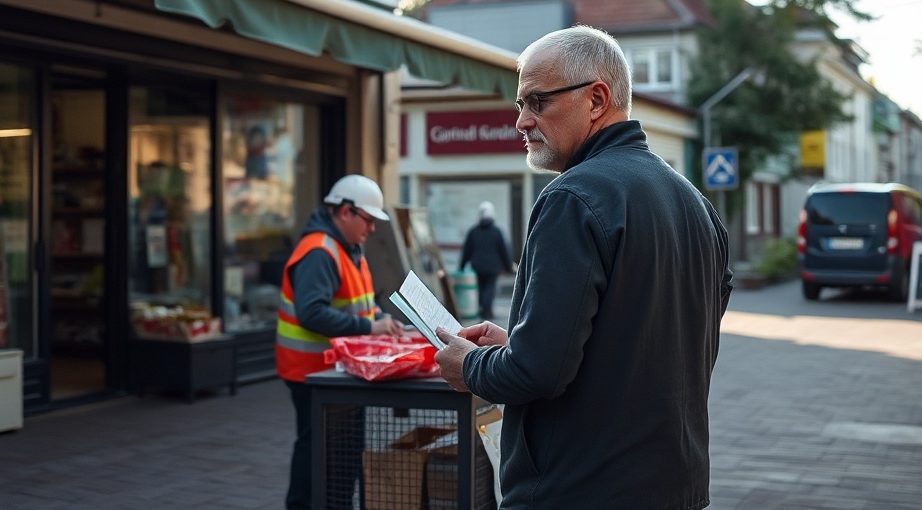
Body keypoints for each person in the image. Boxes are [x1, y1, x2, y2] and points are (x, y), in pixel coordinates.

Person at [434, 26, 734, 510]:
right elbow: (645, 349)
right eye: (520, 105)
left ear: (597, 99)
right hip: (676, 487)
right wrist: (520, 343)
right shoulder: (695, 203)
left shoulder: (573, 197)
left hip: (580, 489)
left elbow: (538, 375)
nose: (522, 122)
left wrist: (470, 366)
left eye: (537, 101)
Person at [276, 174, 404, 510]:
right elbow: (311, 313)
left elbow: (363, 299)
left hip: (335, 370)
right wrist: (370, 327)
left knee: (342, 449)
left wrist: (381, 320)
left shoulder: (348, 248)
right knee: (317, 448)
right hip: (312, 372)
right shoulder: (320, 251)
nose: (372, 228)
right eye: (368, 219)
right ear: (345, 212)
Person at [460, 201, 513, 320]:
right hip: (493, 267)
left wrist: (462, 266)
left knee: (480, 288)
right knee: (490, 288)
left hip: (477, 266)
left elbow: (467, 250)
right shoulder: (496, 231)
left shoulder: (473, 231)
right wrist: (508, 267)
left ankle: (481, 309)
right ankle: (487, 311)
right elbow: (503, 250)